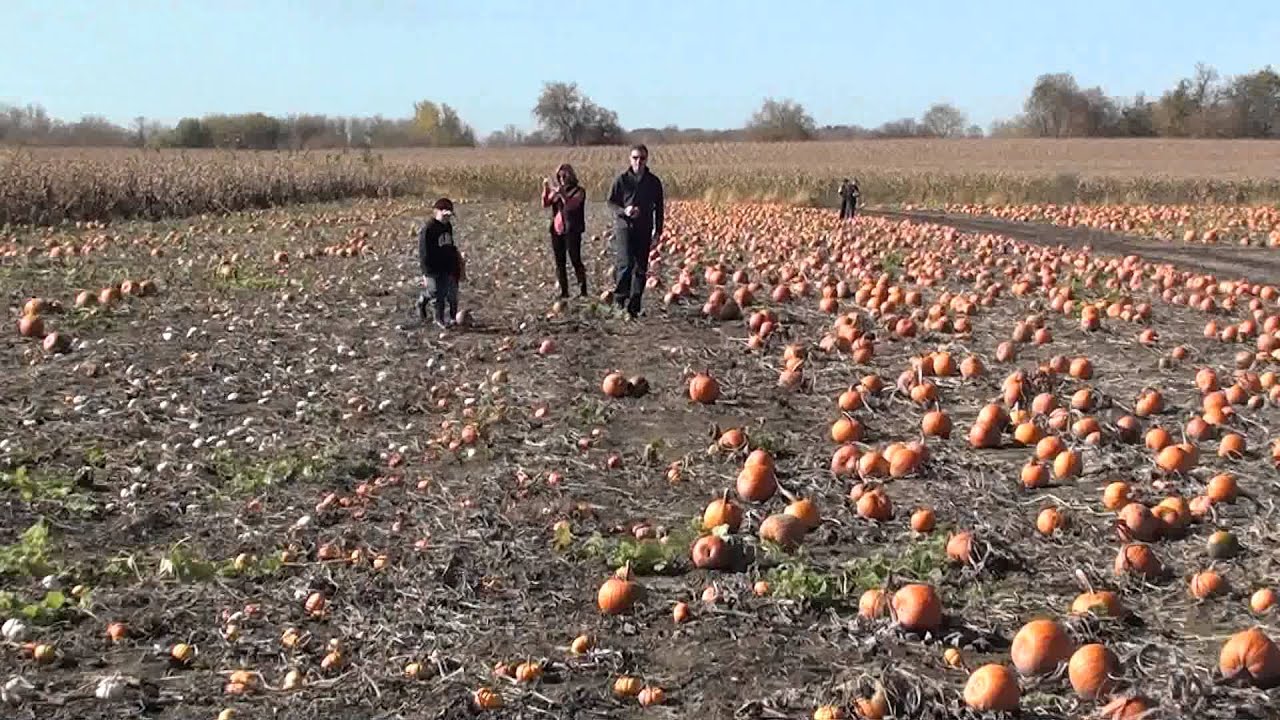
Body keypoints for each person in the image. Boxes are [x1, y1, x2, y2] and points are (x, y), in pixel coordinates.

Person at [605, 144, 664, 319]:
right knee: (625, 264)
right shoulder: (622, 180)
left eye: (642, 158)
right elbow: (611, 202)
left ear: (646, 160)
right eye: (635, 158)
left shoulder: (653, 182)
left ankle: (634, 306)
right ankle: (619, 301)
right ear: (630, 159)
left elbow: (659, 208)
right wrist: (624, 211)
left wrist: (658, 231)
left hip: (644, 228)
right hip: (624, 227)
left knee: (640, 268)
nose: (638, 161)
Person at [415, 198, 464, 329]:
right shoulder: (428, 229)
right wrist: (425, 274)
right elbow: (424, 253)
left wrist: (458, 264)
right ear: (437, 211)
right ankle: (438, 318)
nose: (447, 218)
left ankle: (452, 318)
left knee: (450, 292)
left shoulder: (448, 226)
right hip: (433, 268)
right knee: (437, 294)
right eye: (444, 214)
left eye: (449, 215)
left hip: (447, 266)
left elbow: (450, 245)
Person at [541, 163, 588, 298]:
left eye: (565, 176)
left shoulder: (579, 191)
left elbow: (571, 205)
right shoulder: (557, 191)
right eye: (559, 176)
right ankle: (564, 291)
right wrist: (546, 189)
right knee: (560, 262)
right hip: (557, 230)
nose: (562, 179)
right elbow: (545, 203)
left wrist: (562, 194)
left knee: (575, 259)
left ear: (571, 176)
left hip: (572, 230)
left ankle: (583, 290)